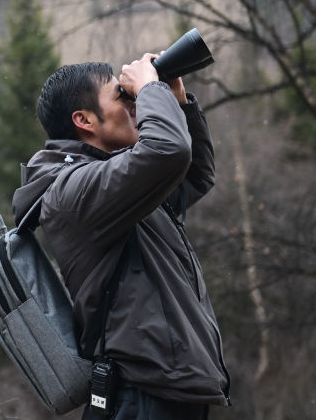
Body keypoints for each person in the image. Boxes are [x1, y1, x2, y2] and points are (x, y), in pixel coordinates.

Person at [12, 55, 231, 419]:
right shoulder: (72, 193)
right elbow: (168, 151)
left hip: (168, 389)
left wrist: (177, 102)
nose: (133, 104)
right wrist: (149, 89)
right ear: (84, 120)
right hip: (140, 394)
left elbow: (193, 175)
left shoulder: (115, 185)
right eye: (122, 96)